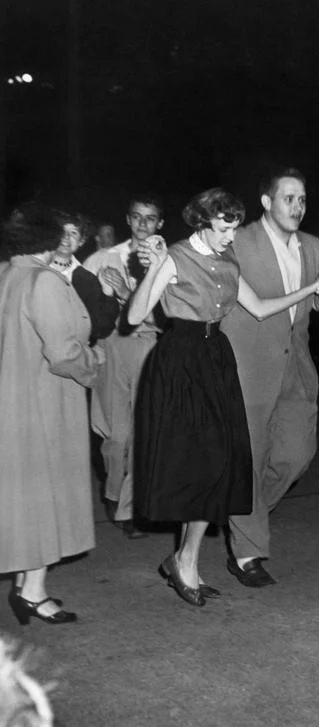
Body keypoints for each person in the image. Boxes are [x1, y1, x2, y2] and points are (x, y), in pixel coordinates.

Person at [128, 188, 319, 607]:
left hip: (216, 359)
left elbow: (260, 308)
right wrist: (157, 266)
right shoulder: (177, 256)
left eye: (234, 229)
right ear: (203, 223)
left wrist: (313, 287)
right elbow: (134, 316)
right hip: (180, 363)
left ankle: (184, 558)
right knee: (198, 465)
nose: (230, 237)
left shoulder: (227, 260)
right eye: (224, 229)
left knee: (219, 464)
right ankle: (186, 561)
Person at [221, 167, 319, 588]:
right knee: (250, 459)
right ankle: (248, 550)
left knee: (296, 455)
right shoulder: (238, 241)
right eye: (288, 198)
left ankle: (239, 512)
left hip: (296, 367)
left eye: (303, 199)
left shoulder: (313, 245)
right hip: (248, 365)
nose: (297, 206)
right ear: (266, 202)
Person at [1, 204, 104, 625]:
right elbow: (64, 354)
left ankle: (29, 587)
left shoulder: (7, 274)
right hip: (44, 401)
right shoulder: (43, 282)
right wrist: (96, 360)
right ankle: (32, 592)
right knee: (46, 494)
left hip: (13, 400)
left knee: (27, 497)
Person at [83, 194, 167, 536]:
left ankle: (129, 508)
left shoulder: (170, 260)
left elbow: (169, 315)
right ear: (128, 220)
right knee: (116, 434)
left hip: (150, 345)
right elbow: (83, 310)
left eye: (150, 218)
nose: (143, 224)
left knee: (143, 431)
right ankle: (113, 493)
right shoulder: (103, 258)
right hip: (113, 347)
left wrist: (125, 295)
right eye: (137, 217)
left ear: (160, 223)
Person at [49, 212, 121, 343]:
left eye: (73, 233)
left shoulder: (86, 279)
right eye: (62, 231)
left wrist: (107, 292)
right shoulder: (35, 268)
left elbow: (101, 328)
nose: (66, 237)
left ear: (81, 241)